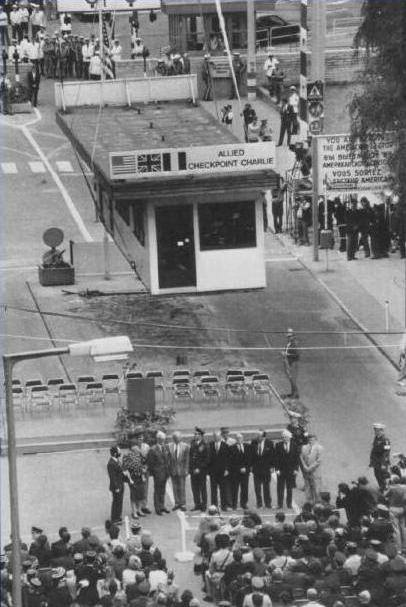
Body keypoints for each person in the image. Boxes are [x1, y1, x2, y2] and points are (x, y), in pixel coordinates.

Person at [274, 429, 300, 510]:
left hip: (290, 470)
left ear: (289, 437)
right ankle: (280, 504)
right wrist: (277, 469)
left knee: (289, 488)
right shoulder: (278, 445)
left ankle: (289, 504)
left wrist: (296, 469)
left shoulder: (294, 445)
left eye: (285, 437)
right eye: (283, 437)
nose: (284, 439)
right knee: (280, 488)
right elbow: (276, 458)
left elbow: (297, 458)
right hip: (281, 470)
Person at [122, 436, 146, 520]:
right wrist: (130, 479)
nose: (137, 447)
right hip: (132, 477)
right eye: (135, 445)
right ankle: (134, 512)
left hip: (139, 476)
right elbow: (125, 468)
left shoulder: (139, 454)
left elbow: (143, 464)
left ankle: (139, 510)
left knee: (140, 494)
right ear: (132, 447)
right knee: (133, 495)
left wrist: (143, 475)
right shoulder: (126, 455)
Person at [147, 431, 170, 515]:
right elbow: (150, 463)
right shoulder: (152, 449)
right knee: (157, 490)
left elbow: (167, 460)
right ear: (158, 439)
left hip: (165, 472)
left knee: (162, 490)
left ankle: (162, 506)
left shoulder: (165, 447)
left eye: (164, 439)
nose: (163, 441)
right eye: (161, 439)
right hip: (158, 473)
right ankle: (158, 508)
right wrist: (155, 473)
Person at [208, 430, 231, 511]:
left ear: (220, 437)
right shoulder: (210, 445)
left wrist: (227, 469)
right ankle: (214, 506)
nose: (216, 438)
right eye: (214, 436)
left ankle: (224, 506)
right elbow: (208, 459)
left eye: (217, 436)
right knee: (213, 490)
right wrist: (209, 471)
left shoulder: (225, 446)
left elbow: (228, 459)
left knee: (223, 489)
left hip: (222, 472)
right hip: (213, 472)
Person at [250, 430, 273, 509]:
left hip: (266, 468)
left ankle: (268, 503)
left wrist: (272, 467)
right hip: (256, 469)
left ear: (264, 437)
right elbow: (251, 455)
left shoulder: (269, 443)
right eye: (257, 436)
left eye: (259, 436)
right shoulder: (254, 442)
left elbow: (272, 455)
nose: (257, 437)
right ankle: (259, 503)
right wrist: (251, 466)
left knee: (266, 487)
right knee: (257, 488)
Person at [168, 431, 190, 511]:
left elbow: (187, 459)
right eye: (175, 438)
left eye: (178, 438)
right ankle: (177, 503)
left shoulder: (186, 446)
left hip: (182, 470)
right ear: (173, 439)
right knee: (174, 487)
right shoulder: (169, 446)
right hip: (173, 470)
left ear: (181, 438)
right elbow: (168, 459)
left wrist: (187, 469)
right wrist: (169, 469)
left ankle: (183, 503)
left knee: (182, 487)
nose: (176, 439)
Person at [189, 427, 209, 512]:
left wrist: (199, 468)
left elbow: (207, 459)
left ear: (201, 435)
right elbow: (191, 457)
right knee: (195, 488)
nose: (195, 435)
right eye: (195, 434)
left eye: (197, 434)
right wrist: (192, 469)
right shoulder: (193, 443)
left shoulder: (205, 444)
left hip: (201, 471)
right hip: (193, 470)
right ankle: (197, 504)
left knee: (202, 488)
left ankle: (204, 505)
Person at [229, 433, 251, 510]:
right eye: (237, 438)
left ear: (243, 438)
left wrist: (246, 468)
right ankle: (234, 504)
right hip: (235, 472)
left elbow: (249, 459)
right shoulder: (231, 448)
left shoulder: (248, 447)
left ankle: (244, 503)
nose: (239, 439)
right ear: (236, 439)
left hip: (245, 472)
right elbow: (231, 461)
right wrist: (239, 468)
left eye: (240, 438)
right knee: (234, 489)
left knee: (245, 488)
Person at [300, 434, 323, 504]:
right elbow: (301, 457)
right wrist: (304, 466)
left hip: (315, 472)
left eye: (312, 440)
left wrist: (309, 468)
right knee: (308, 489)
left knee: (316, 489)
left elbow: (319, 460)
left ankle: (317, 504)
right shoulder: (304, 447)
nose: (311, 441)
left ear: (316, 440)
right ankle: (309, 504)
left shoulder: (320, 448)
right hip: (306, 472)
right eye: (309, 440)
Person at [369, 423, 391, 491]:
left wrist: (383, 464)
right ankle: (382, 487)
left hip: (382, 462)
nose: (375, 432)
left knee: (382, 476)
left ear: (381, 431)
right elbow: (374, 449)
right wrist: (372, 461)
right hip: (376, 461)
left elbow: (386, 452)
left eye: (377, 431)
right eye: (375, 430)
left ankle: (385, 488)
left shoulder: (385, 440)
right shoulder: (376, 438)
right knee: (377, 475)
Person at [107, 446, 125, 525]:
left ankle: (118, 516)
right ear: (115, 453)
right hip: (116, 486)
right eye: (118, 451)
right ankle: (114, 519)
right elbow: (112, 477)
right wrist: (116, 487)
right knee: (116, 502)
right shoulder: (111, 463)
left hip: (120, 484)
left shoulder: (117, 461)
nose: (119, 453)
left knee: (119, 501)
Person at [282, 328, 299, 399]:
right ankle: (292, 393)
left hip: (293, 363)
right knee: (290, 378)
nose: (289, 338)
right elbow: (286, 352)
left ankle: (295, 393)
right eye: (288, 336)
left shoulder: (294, 344)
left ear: (293, 336)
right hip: (288, 363)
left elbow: (297, 354)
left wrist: (286, 354)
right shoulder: (288, 344)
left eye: (290, 336)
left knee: (292, 379)